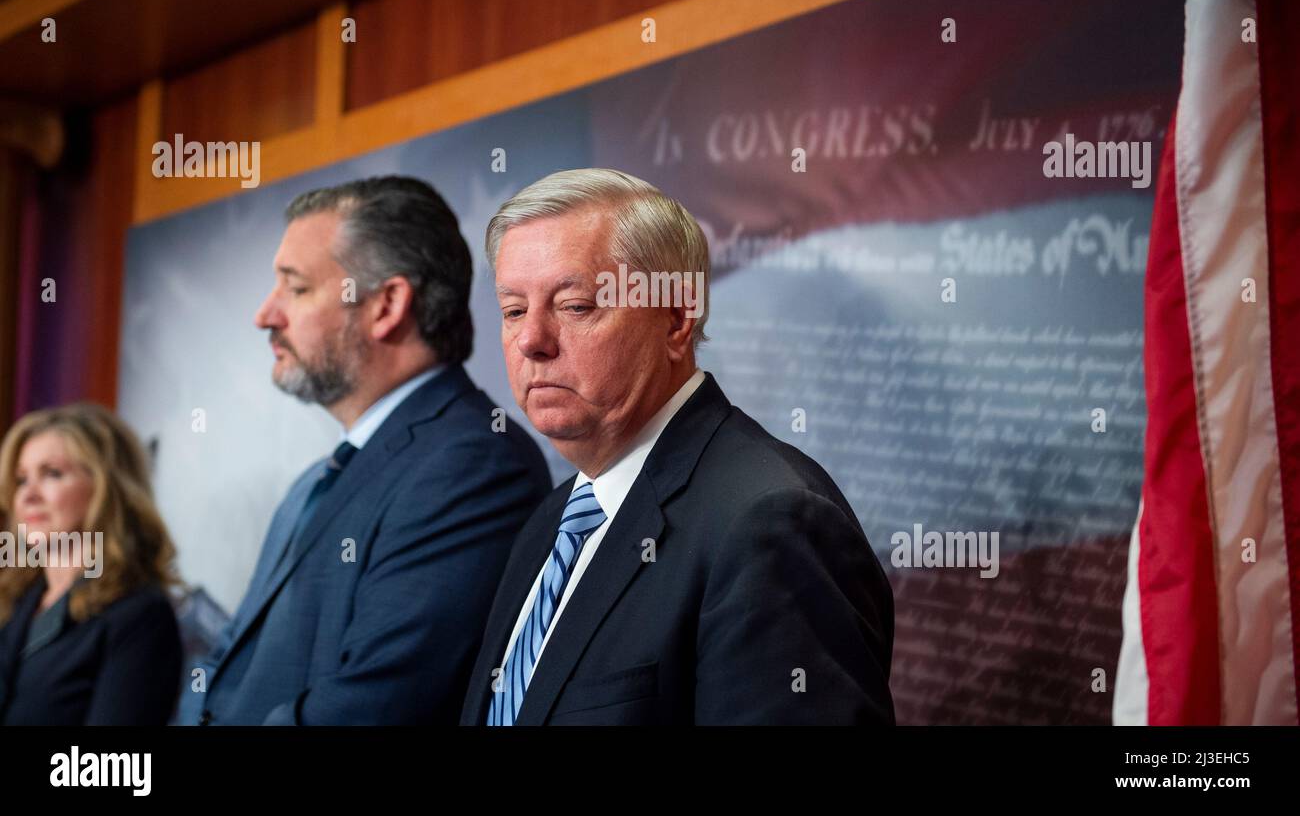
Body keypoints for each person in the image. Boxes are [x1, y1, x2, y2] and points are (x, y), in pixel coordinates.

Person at [461, 168, 895, 725]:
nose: (531, 341)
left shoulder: (772, 521)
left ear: (675, 319)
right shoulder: (553, 519)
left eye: (574, 305)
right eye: (514, 310)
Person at [178, 176, 551, 725]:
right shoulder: (313, 483)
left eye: (296, 288)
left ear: (386, 305)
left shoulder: (475, 465)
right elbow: (222, 666)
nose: (265, 315)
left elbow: (374, 706)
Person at [0, 403, 182, 725]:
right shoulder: (15, 600)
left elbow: (109, 771)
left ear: (105, 488)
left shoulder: (139, 616)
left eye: (52, 474)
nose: (28, 495)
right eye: (21, 480)